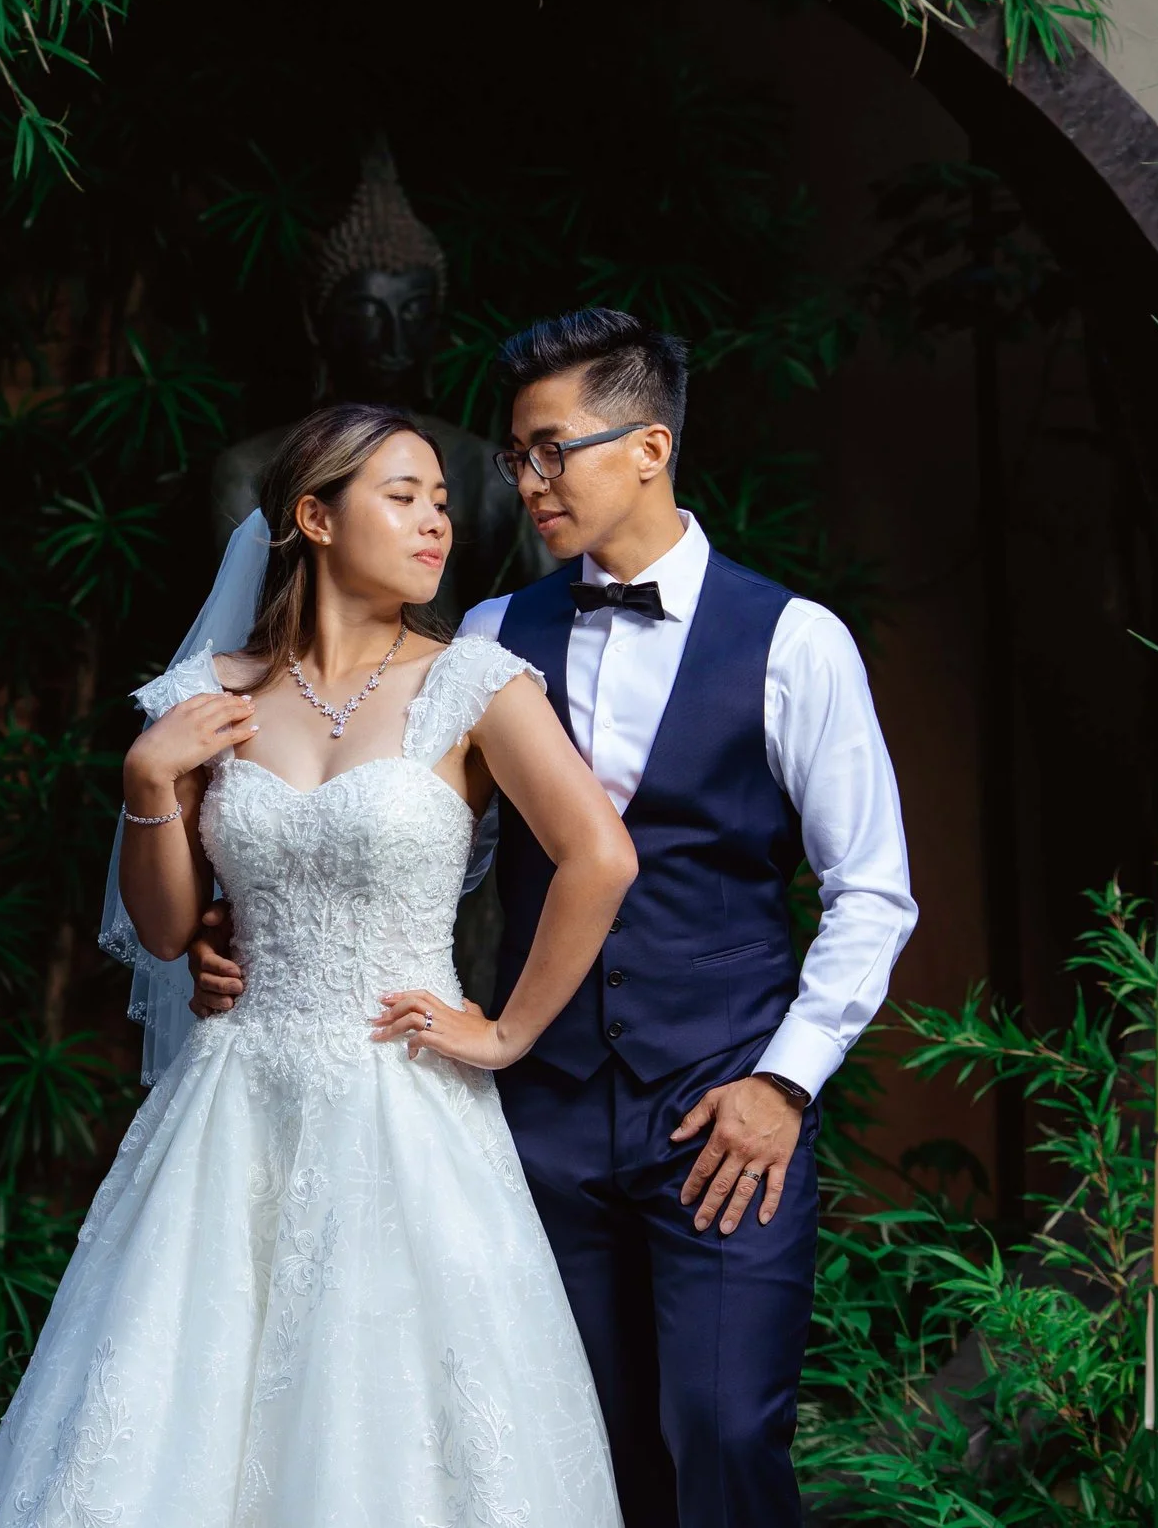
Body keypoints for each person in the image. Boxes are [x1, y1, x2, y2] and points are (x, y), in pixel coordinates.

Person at [187, 310, 918, 1526]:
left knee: (723, 1428)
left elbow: (872, 891)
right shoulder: (482, 637)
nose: (522, 483)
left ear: (648, 446)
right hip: (539, 1120)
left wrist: (784, 1083)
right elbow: (409, 844)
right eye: (518, 456)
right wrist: (244, 925)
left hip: (721, 1108)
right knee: (569, 1445)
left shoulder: (797, 641)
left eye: (547, 450)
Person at [0, 404, 636, 1526]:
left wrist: (506, 1029)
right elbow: (171, 930)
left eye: (438, 498)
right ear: (312, 516)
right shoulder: (203, 698)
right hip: (235, 1098)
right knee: (180, 1407)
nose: (435, 520)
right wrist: (145, 786)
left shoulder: (473, 681)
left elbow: (598, 856)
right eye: (400, 494)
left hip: (405, 1101)